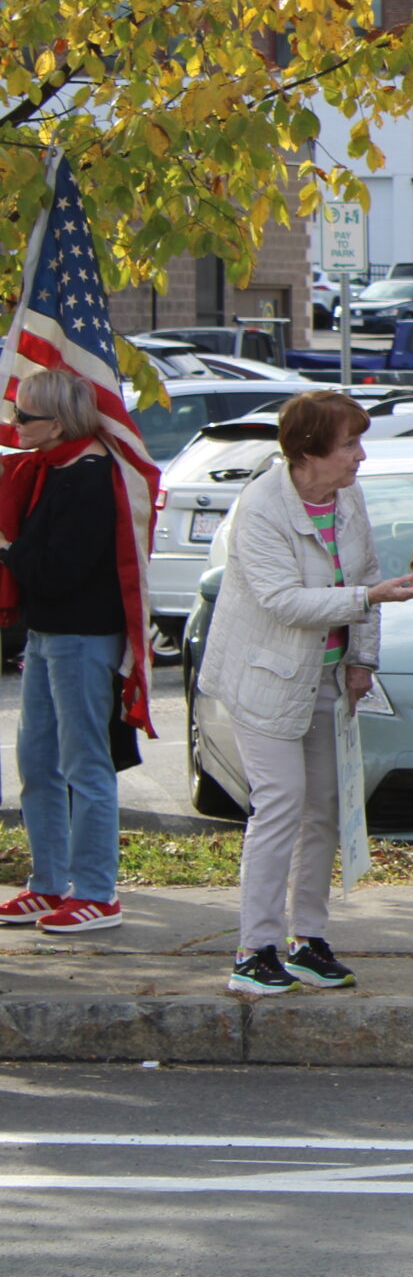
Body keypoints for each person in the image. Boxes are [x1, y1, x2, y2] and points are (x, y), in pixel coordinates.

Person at [197, 391, 413, 994]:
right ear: (309, 449)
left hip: (326, 678)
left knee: (323, 807)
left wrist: (362, 660)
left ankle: (307, 941)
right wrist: (368, 601)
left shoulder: (346, 496)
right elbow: (283, 601)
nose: (360, 456)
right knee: (280, 804)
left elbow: (367, 572)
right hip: (264, 681)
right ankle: (254, 949)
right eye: (350, 443)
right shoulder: (262, 505)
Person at [0, 370, 152, 934]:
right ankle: (47, 882)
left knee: (85, 765)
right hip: (46, 636)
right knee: (37, 764)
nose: (15, 425)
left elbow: (57, 570)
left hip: (83, 637)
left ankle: (95, 891)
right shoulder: (50, 471)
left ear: (58, 422)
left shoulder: (90, 478)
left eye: (24, 417)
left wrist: (7, 550)